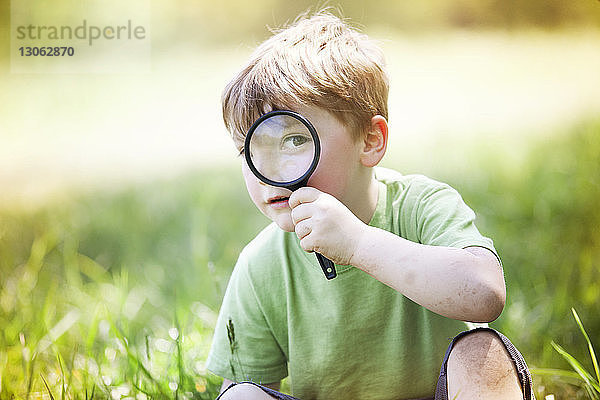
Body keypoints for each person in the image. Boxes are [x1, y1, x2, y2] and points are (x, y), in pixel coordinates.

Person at [206, 11, 534, 400]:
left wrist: (359, 244)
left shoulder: (421, 206)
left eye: (294, 141)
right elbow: (241, 390)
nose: (265, 171)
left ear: (370, 140)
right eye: (249, 149)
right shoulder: (261, 265)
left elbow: (484, 294)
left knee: (482, 353)